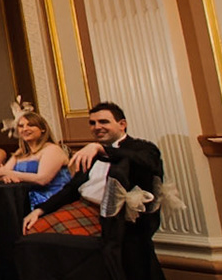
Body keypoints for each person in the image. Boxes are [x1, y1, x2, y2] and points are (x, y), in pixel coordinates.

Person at [29, 101, 164, 236]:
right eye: (92, 123)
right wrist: (40, 211)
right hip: (83, 206)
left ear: (122, 124)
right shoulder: (91, 153)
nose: (97, 127)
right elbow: (71, 189)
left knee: (47, 239)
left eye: (103, 122)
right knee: (32, 232)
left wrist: (102, 149)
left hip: (115, 217)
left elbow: (148, 162)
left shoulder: (142, 147)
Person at [2, 110, 71, 223]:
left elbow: (42, 179)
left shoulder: (52, 149)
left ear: (42, 129)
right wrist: (4, 176)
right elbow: (2, 172)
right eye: (21, 126)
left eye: (30, 125)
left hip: (52, 204)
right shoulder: (21, 152)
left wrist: (10, 174)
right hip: (25, 203)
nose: (25, 129)